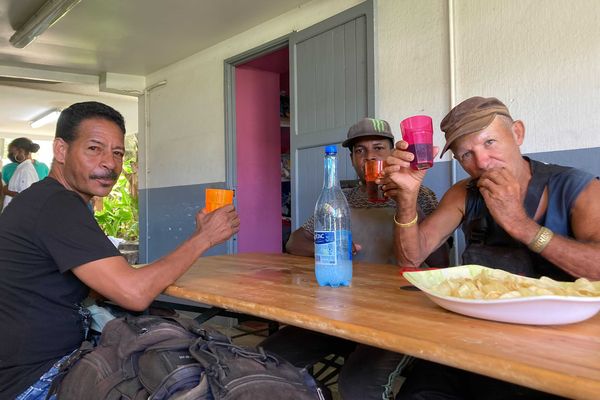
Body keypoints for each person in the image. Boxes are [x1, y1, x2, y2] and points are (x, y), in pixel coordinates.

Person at [0, 101, 240, 400]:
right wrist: (203, 238)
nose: (110, 164)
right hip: (37, 379)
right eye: (94, 149)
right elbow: (134, 294)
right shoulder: (57, 205)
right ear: (61, 150)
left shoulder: (47, 200)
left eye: (117, 153)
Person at [382, 96, 600, 399]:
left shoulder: (578, 187)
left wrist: (523, 226)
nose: (482, 162)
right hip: (474, 337)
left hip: (561, 346)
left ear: (518, 133)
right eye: (466, 154)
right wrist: (407, 199)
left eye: (490, 142)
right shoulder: (465, 193)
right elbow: (411, 257)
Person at [261, 117, 450, 400]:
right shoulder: (340, 200)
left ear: (394, 153)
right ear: (351, 159)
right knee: (267, 358)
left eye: (378, 148)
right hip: (344, 307)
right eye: (360, 151)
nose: (370, 157)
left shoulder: (420, 196)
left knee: (358, 386)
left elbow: (441, 261)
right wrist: (332, 248)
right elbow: (294, 241)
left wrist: (406, 204)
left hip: (401, 314)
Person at [1, 137, 47, 209]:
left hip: (18, 213)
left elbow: (27, 195)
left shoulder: (26, 169)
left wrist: (9, 191)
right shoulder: (22, 167)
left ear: (21, 151)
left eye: (13, 153)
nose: (12, 155)